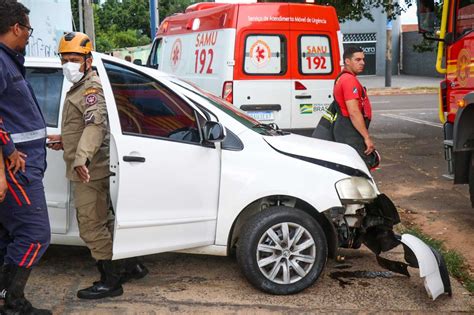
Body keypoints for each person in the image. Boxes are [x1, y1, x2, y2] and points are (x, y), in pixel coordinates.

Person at [47, 32, 147, 300]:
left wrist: (81, 159)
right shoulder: (79, 85)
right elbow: (80, 127)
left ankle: (110, 282)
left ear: (88, 60)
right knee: (106, 221)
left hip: (90, 170)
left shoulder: (91, 88)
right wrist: (65, 141)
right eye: (64, 59)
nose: (69, 64)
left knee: (92, 226)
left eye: (75, 59)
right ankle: (131, 265)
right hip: (93, 165)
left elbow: (94, 126)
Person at [0, 0, 52, 313]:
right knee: (35, 235)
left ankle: (8, 300)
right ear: (17, 27)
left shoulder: (10, 61)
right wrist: (8, 150)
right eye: (28, 29)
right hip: (18, 166)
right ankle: (14, 303)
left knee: (10, 235)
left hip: (25, 164)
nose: (29, 35)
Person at [332, 46, 376, 167]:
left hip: (346, 129)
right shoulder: (348, 80)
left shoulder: (342, 77)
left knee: (348, 166)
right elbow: (354, 112)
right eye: (357, 60)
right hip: (350, 131)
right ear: (347, 61)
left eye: (363, 59)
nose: (362, 63)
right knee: (358, 167)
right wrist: (366, 137)